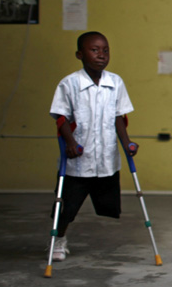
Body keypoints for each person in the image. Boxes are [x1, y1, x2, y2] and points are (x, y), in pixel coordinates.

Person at [48, 31, 137, 261]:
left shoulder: (115, 82)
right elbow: (61, 117)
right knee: (65, 207)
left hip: (106, 157)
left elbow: (119, 116)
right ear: (80, 54)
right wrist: (70, 142)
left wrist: (127, 142)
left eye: (105, 50)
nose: (101, 55)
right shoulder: (69, 83)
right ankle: (59, 240)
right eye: (94, 50)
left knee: (109, 205)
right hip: (79, 159)